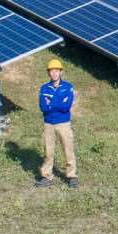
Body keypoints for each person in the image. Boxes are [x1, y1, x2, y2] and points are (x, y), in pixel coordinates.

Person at [35, 59, 77, 188]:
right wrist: (58, 102)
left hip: (63, 123)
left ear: (61, 72)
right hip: (49, 124)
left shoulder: (67, 87)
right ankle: (47, 177)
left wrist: (51, 103)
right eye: (52, 71)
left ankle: (71, 176)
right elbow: (43, 106)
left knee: (68, 149)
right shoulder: (44, 88)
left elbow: (66, 106)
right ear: (49, 73)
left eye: (56, 71)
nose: (54, 74)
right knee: (48, 151)